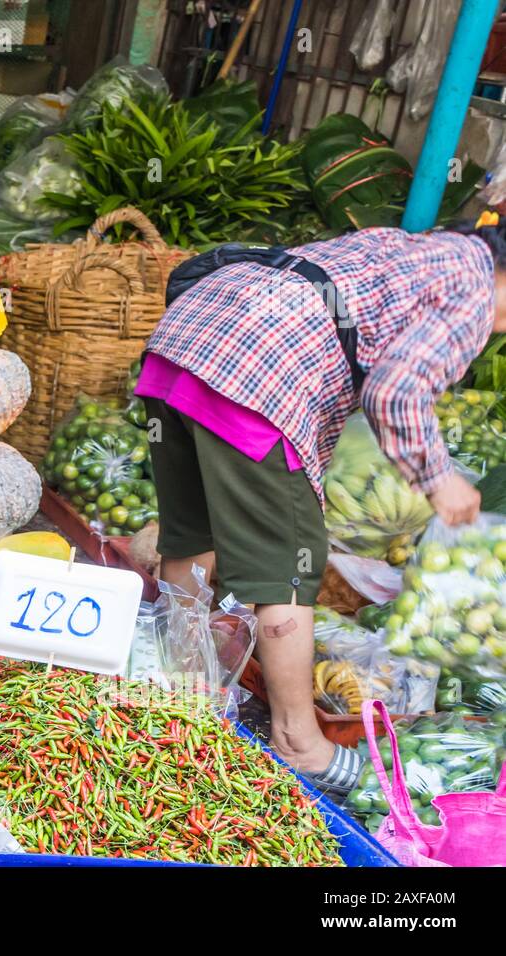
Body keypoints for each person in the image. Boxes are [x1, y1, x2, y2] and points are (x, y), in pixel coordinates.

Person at [135, 214, 506, 795]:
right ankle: (299, 742)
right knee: (288, 568)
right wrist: (440, 481)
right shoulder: (475, 294)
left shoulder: (425, 250)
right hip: (257, 377)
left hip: (184, 342)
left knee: (190, 534)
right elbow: (394, 391)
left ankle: (180, 694)